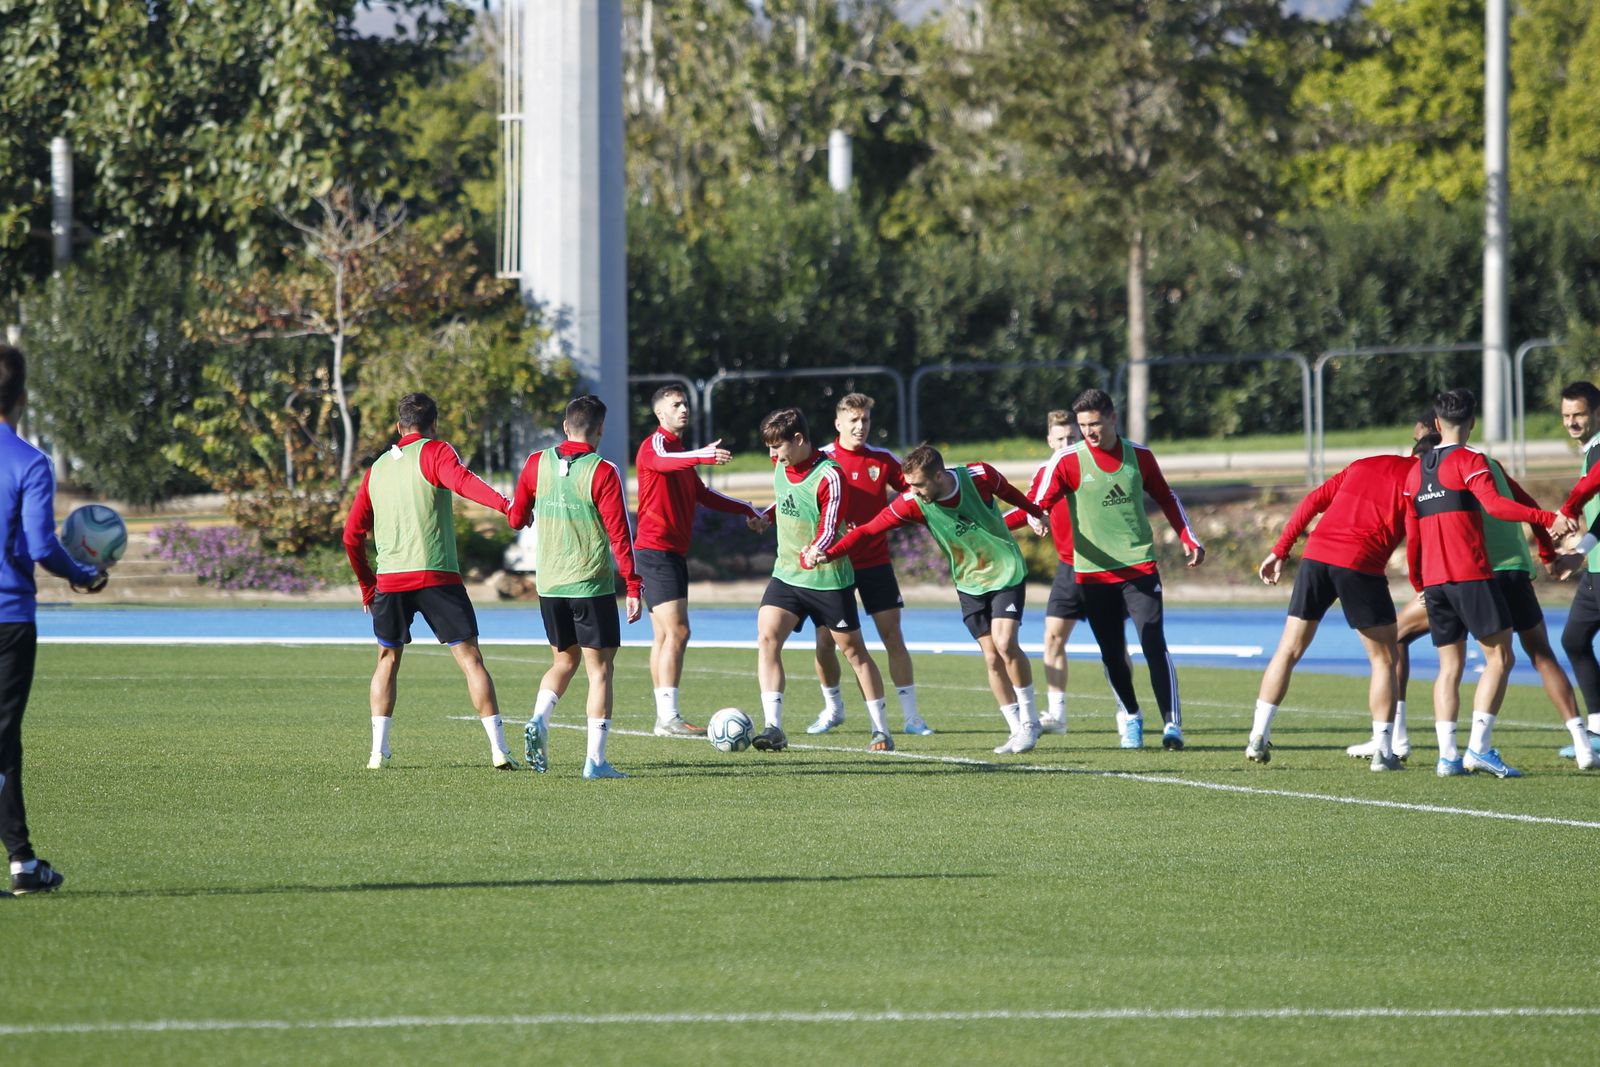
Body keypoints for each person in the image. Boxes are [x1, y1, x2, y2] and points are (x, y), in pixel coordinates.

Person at [1345, 414, 1597, 771]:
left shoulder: (1440, 470)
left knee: (1403, 640)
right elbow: (1526, 504)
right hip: (1512, 571)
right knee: (1541, 655)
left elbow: (1422, 529)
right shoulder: (1485, 462)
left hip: (1472, 576)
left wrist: (1420, 580)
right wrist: (1547, 554)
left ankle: (1403, 741)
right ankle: (1582, 744)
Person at [809, 444, 1048, 754]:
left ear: (938, 475)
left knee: (1005, 644)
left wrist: (1035, 512)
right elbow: (868, 531)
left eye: (919, 484)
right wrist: (829, 551)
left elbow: (1012, 495)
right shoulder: (912, 502)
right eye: (910, 485)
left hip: (1006, 571)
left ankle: (1030, 721)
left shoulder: (979, 475)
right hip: (969, 581)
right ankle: (1016, 729)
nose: (913, 491)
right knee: (991, 657)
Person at [1403, 388, 1574, 779]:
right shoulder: (1470, 460)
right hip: (1470, 575)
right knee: (1500, 658)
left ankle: (1447, 757)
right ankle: (1478, 748)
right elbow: (1496, 505)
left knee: (1449, 667)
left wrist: (1419, 580)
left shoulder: (1417, 470)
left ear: (1435, 423)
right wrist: (1546, 517)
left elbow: (1413, 534)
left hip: (1435, 581)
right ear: (1472, 422)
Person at [343, 392, 518, 771]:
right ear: (433, 425)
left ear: (398, 426)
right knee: (471, 660)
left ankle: (378, 753)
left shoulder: (376, 469)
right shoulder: (436, 452)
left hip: (390, 581)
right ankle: (498, 750)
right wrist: (506, 505)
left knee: (387, 660)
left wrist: (366, 584)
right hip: (437, 575)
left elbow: (351, 535)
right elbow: (465, 483)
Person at [1032, 388, 1204, 750]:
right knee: (1111, 652)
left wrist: (1188, 536)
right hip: (1093, 573)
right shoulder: (1068, 461)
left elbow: (1167, 497)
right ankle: (1131, 716)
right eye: (1083, 426)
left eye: (1094, 423)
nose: (1089, 432)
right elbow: (1040, 501)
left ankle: (1172, 725)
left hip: (1138, 567)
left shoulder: (1138, 456)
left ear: (1112, 418)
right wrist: (1037, 516)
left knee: (1153, 643)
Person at [0, 344, 107, 895]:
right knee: (3, 736)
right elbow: (41, 544)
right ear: (21, 398)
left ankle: (22, 860)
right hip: (9, 618)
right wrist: (83, 574)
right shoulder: (29, 463)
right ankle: (21, 863)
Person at [1248, 430, 1417, 770]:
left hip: (1316, 557)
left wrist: (1281, 550)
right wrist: (1421, 582)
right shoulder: (1419, 479)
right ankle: (1383, 751)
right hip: (1359, 563)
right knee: (1385, 658)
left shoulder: (1363, 464)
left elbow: (1312, 501)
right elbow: (1415, 537)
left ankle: (1257, 737)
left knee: (1288, 649)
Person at [509, 394, 643, 779]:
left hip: (549, 586)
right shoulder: (603, 471)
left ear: (566, 427)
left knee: (563, 661)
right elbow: (621, 535)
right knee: (600, 671)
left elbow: (517, 518)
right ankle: (595, 762)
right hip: (590, 585)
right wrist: (633, 585)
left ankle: (539, 717)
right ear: (600, 430)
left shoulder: (536, 464)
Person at [752, 407, 890, 753]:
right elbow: (787, 499)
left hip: (829, 579)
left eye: (777, 446)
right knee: (767, 637)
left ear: (798, 440)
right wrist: (765, 517)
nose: (773, 455)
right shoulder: (781, 464)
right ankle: (774, 727)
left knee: (854, 653)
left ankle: (881, 730)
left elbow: (831, 524)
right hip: (786, 575)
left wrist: (816, 549)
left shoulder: (830, 474)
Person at [634, 384, 766, 738]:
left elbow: (702, 494)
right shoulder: (656, 445)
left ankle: (664, 717)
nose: (683, 409)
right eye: (675, 404)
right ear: (660, 413)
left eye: (685, 404)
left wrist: (746, 509)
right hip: (654, 550)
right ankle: (668, 717)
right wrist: (701, 455)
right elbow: (660, 462)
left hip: (671, 551)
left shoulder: (679, 451)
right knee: (678, 631)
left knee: (664, 635)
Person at [809, 393, 934, 737]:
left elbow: (914, 491)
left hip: (875, 561)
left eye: (865, 420)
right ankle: (833, 709)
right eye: (853, 421)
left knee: (893, 636)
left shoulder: (882, 459)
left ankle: (911, 718)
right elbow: (804, 499)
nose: (860, 427)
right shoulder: (821, 460)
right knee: (825, 642)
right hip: (834, 567)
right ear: (838, 424)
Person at [1005, 410, 1081, 734]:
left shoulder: (1089, 465)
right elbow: (1032, 508)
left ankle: (1127, 715)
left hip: (1105, 566)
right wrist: (990, 528)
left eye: (1072, 438)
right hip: (1069, 565)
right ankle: (1058, 716)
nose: (1066, 444)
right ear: (1049, 440)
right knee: (1052, 637)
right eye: (1060, 438)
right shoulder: (1046, 471)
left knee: (1114, 644)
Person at [1548, 380, 1600, 762]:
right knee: (1574, 640)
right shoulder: (1590, 453)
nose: (1572, 422)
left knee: (1574, 641)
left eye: (1579, 414)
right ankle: (1597, 730)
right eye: (1567, 415)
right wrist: (1581, 552)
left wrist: (1569, 510)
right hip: (1596, 571)